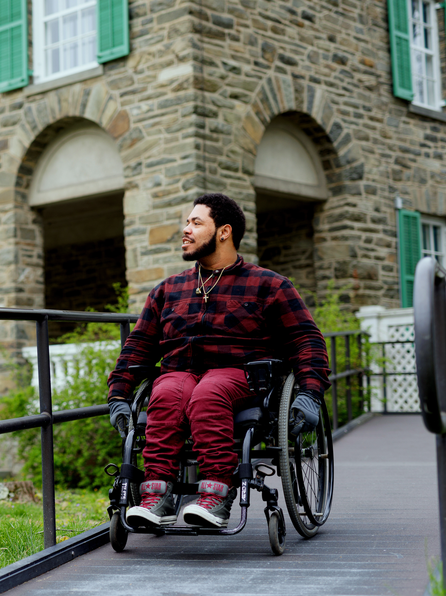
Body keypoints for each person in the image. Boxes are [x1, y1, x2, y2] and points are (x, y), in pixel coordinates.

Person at [107, 193, 330, 529]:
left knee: (209, 393)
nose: (186, 229)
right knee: (166, 393)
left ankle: (216, 494)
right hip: (180, 372)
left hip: (241, 375)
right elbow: (138, 346)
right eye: (187, 222)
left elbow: (306, 340)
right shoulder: (168, 290)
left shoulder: (268, 285)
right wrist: (118, 397)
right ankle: (157, 497)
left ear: (224, 232)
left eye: (196, 223)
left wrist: (310, 393)